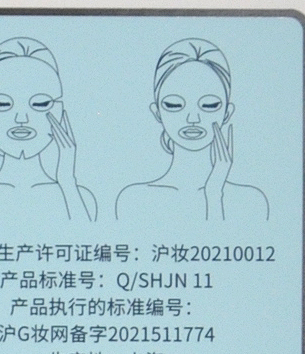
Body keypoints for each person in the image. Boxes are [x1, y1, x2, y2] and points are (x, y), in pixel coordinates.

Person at [114, 39, 268, 221]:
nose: (193, 118)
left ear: (227, 113)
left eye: (209, 105)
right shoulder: (134, 200)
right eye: (174, 105)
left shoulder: (251, 201)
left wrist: (214, 194)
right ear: (157, 112)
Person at [0, 38, 97, 222]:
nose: (21, 118)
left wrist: (67, 180)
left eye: (41, 104)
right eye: (1, 103)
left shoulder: (81, 198)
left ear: (59, 110)